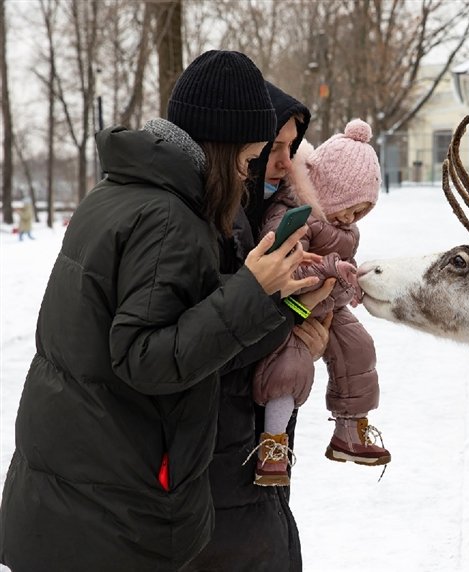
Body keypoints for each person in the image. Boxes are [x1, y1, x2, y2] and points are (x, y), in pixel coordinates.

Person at [0, 51, 325, 571]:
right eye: (248, 162)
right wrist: (250, 289)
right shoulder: (170, 218)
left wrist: (278, 303)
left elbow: (176, 308)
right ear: (221, 150)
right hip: (110, 509)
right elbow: (144, 357)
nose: (249, 180)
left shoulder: (122, 193)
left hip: (76, 492)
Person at [183, 81, 332, 572]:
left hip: (251, 455)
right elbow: (212, 345)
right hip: (219, 468)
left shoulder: (264, 217)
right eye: (275, 147)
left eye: (292, 148)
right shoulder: (209, 224)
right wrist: (298, 316)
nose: (285, 162)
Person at [252, 118, 389, 486]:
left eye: (361, 213)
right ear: (327, 187)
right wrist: (330, 269)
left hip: (329, 305)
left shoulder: (345, 230)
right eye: (348, 207)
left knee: (358, 348)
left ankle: (349, 430)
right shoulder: (293, 215)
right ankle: (273, 443)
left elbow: (341, 270)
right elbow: (285, 271)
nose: (350, 219)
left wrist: (351, 282)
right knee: (290, 367)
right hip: (295, 311)